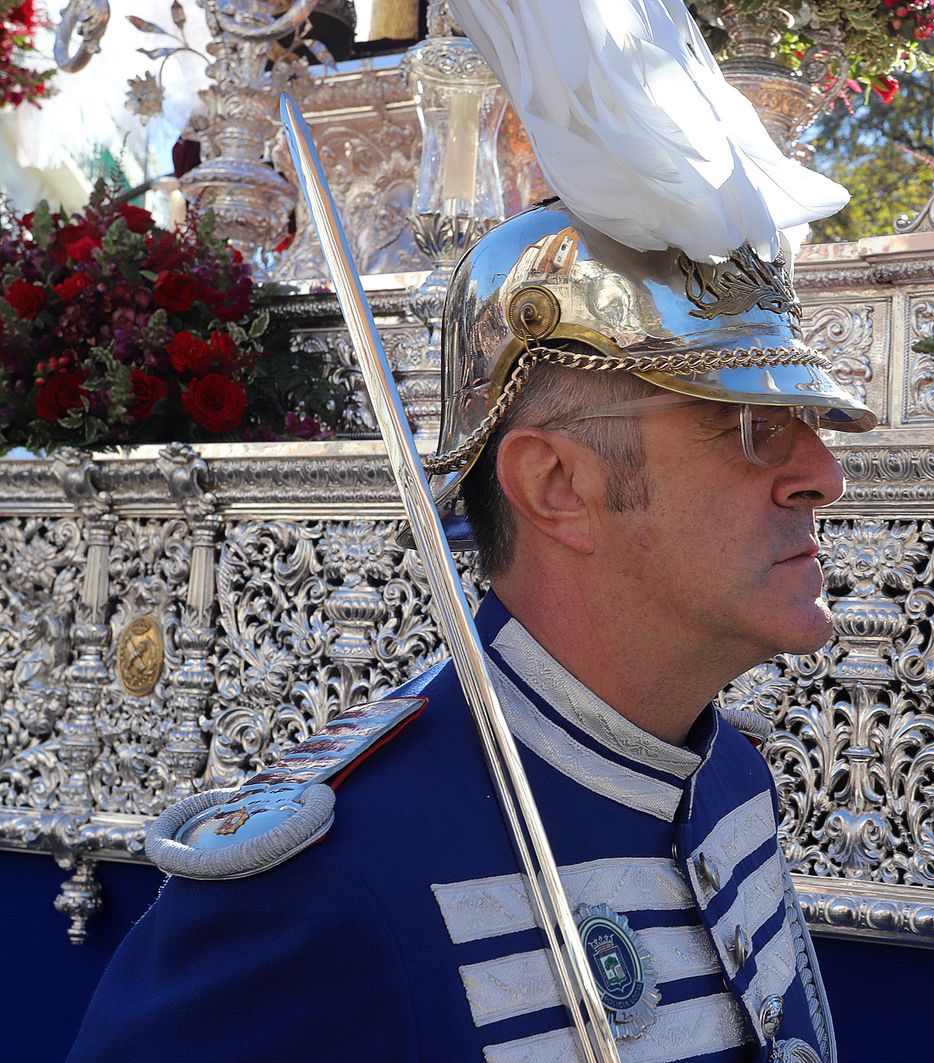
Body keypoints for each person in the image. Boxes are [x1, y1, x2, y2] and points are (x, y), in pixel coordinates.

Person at [67, 202, 875, 1062]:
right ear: (558, 482)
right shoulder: (320, 891)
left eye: (812, 425)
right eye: (751, 427)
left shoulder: (728, 777)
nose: (822, 475)